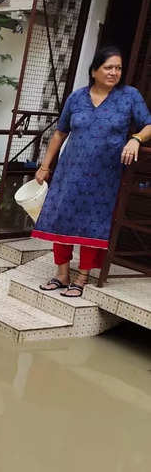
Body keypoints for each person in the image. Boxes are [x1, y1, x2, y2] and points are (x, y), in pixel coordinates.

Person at [32, 46, 151, 297]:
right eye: (108, 67)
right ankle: (61, 274)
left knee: (93, 222)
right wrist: (45, 166)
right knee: (61, 217)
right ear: (94, 70)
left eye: (118, 68)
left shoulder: (130, 96)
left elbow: (149, 124)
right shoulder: (77, 98)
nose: (114, 72)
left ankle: (82, 277)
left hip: (105, 176)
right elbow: (60, 132)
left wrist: (136, 139)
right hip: (70, 170)